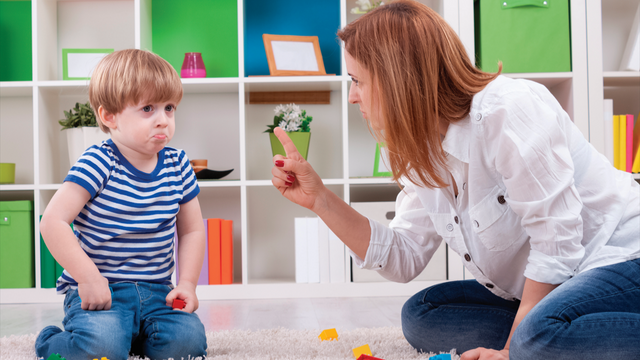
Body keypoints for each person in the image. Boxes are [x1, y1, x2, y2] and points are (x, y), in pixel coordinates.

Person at [270, 1, 640, 359]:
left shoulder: (508, 110)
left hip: (619, 258)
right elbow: (404, 257)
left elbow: (557, 244)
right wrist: (319, 198)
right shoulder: (419, 146)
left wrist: (510, 351)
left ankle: (538, 338)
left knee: (532, 342)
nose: (352, 97)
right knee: (423, 313)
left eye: (357, 81)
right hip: (556, 282)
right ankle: (550, 332)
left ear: (398, 79)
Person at [36, 49, 208, 359]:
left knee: (188, 344)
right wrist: (88, 278)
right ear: (109, 116)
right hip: (102, 292)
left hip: (158, 292)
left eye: (169, 108)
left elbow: (193, 230)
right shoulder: (98, 162)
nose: (163, 119)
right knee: (100, 346)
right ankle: (51, 341)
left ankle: (131, 337)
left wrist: (187, 284)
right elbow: (52, 222)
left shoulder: (179, 165)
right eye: (147, 108)